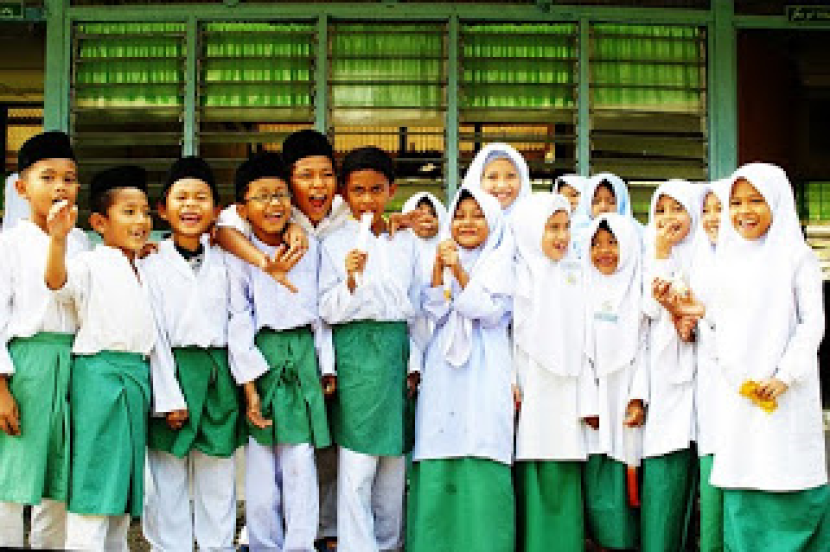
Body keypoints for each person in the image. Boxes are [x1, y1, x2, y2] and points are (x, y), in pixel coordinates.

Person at [709, 163, 828, 550]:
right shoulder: (727, 259)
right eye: (736, 202)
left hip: (786, 393)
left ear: (778, 201)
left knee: (788, 476)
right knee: (744, 478)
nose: (744, 211)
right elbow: (718, 324)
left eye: (756, 200)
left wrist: (784, 376)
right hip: (740, 396)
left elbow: (812, 323)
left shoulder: (797, 257)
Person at [45, 165, 155, 551]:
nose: (140, 221)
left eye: (145, 212)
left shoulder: (145, 266)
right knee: (95, 481)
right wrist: (57, 240)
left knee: (122, 487)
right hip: (99, 377)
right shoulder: (89, 262)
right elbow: (57, 283)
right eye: (129, 212)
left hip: (135, 378)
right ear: (99, 223)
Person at [226, 152, 332, 550]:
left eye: (281, 195)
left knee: (301, 460)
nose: (274, 204)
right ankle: (263, 543)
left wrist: (326, 367)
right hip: (262, 358)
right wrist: (250, 389)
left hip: (302, 356)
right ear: (242, 209)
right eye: (262, 196)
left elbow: (320, 315)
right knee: (260, 464)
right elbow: (239, 320)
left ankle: (300, 545)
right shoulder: (239, 255)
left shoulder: (310, 248)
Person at [318, 146, 422, 552]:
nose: (367, 200)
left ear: (392, 191)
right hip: (356, 356)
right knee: (357, 462)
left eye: (376, 190)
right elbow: (325, 311)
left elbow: (416, 308)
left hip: (396, 353)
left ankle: (389, 542)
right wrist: (349, 280)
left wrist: (415, 362)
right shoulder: (332, 243)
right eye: (357, 190)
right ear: (344, 193)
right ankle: (357, 544)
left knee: (394, 460)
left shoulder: (405, 241)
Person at [141, 156, 243, 551]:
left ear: (217, 210)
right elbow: (154, 334)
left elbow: (238, 322)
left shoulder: (227, 261)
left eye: (201, 197)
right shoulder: (151, 263)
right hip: (172, 370)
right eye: (180, 197)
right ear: (162, 208)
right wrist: (167, 397)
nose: (190, 206)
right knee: (167, 477)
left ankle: (218, 546)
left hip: (218, 374)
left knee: (218, 475)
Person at [408, 186, 515, 552]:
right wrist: (439, 269)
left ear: (494, 221)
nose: (467, 223)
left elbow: (491, 312)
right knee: (439, 441)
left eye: (478, 215)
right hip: (443, 368)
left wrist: (458, 270)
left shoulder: (503, 261)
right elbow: (434, 311)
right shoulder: (439, 255)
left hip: (486, 366)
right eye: (460, 215)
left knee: (483, 443)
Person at [0, 131, 89, 548]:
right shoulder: (9, 244)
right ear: (22, 188)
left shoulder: (82, 241)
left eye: (69, 179)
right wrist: (1, 388)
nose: (60, 187)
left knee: (59, 474)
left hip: (73, 362)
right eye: (47, 177)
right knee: (14, 474)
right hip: (26, 366)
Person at [511, 192, 597, 552]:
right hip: (530, 385)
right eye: (552, 228)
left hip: (568, 388)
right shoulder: (519, 275)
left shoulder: (577, 271)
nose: (562, 236)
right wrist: (511, 380)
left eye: (565, 227)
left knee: (564, 464)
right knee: (532, 463)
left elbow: (587, 337)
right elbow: (509, 336)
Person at [640, 180, 702, 551]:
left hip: (703, 375)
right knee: (665, 474)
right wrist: (661, 255)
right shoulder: (650, 254)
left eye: (678, 209)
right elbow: (648, 308)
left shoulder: (707, 255)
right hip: (664, 380)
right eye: (660, 210)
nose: (668, 218)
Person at [582, 213, 648, 551]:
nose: (604, 251)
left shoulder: (639, 292)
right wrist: (588, 402)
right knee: (597, 470)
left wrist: (638, 397)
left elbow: (645, 348)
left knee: (629, 468)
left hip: (626, 395)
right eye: (596, 244)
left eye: (612, 243)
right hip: (595, 396)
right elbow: (578, 350)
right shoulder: (581, 290)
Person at [688, 179, 730, 552]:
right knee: (713, 475)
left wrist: (706, 314)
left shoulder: (753, 262)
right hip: (711, 387)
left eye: (721, 209)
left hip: (746, 388)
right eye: (706, 210)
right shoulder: (699, 262)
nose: (713, 218)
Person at [462, 142, 531, 218]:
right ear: (477, 181)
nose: (501, 185)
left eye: (511, 176)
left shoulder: (536, 222)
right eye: (492, 177)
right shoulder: (464, 223)